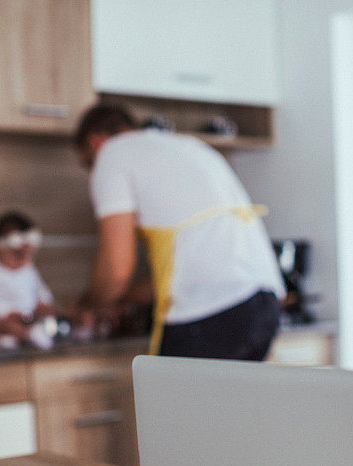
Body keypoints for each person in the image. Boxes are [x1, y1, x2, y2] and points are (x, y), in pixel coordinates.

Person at [74, 104, 285, 359]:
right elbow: (177, 274)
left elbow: (117, 271)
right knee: (231, 400)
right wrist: (122, 300)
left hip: (211, 315)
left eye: (88, 164)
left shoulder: (112, 154)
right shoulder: (188, 146)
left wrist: (89, 306)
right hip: (262, 305)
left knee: (171, 399)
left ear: (94, 143)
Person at [0, 211, 56, 349]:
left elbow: (40, 289)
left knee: (48, 323)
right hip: (2, 319)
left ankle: (31, 335)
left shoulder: (29, 270)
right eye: (17, 255)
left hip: (29, 318)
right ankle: (21, 335)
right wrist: (6, 313)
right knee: (3, 328)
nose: (22, 260)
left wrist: (43, 303)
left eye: (27, 255)